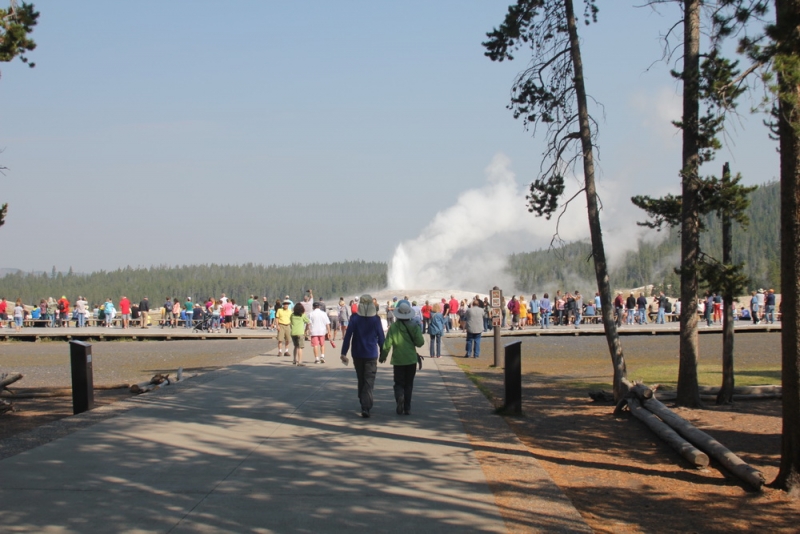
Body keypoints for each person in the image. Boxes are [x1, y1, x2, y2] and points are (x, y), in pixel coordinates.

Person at [341, 294, 385, 418]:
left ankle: (363, 400)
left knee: (361, 378)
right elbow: (381, 337)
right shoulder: (376, 319)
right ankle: (366, 406)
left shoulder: (354, 318)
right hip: (371, 354)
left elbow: (348, 336)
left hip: (357, 353)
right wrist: (383, 353)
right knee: (369, 381)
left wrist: (343, 352)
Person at [380, 299, 424, 416]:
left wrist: (382, 356)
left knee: (398, 383)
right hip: (411, 359)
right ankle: (407, 408)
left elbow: (387, 344)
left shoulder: (393, 327)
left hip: (398, 360)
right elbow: (420, 343)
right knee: (409, 384)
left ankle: (399, 396)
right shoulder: (414, 326)